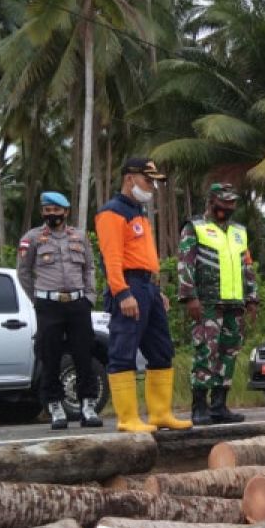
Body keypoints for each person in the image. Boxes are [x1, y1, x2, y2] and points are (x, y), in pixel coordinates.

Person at [95, 158, 191, 433]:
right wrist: (122, 293)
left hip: (148, 286)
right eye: (148, 180)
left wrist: (156, 290)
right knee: (123, 351)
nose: (152, 186)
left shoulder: (139, 213)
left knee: (161, 350)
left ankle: (160, 413)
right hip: (128, 285)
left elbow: (144, 257)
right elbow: (111, 259)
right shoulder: (112, 212)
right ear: (129, 179)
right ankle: (127, 419)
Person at [16, 191, 102, 430]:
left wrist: (89, 297)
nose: (51, 214)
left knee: (84, 355)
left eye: (56, 210)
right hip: (48, 305)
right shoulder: (32, 238)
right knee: (49, 356)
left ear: (65, 212)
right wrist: (37, 299)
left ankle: (88, 405)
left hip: (78, 304)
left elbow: (90, 268)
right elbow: (23, 272)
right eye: (47, 210)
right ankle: (54, 407)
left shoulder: (79, 237)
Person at [177, 182, 257, 425]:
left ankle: (219, 405)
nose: (228, 208)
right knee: (205, 352)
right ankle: (199, 406)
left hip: (235, 303)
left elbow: (247, 266)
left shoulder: (238, 231)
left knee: (229, 353)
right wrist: (190, 297)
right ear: (211, 202)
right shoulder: (195, 228)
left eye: (232, 203)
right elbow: (185, 264)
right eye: (224, 203)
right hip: (207, 302)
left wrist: (252, 298)